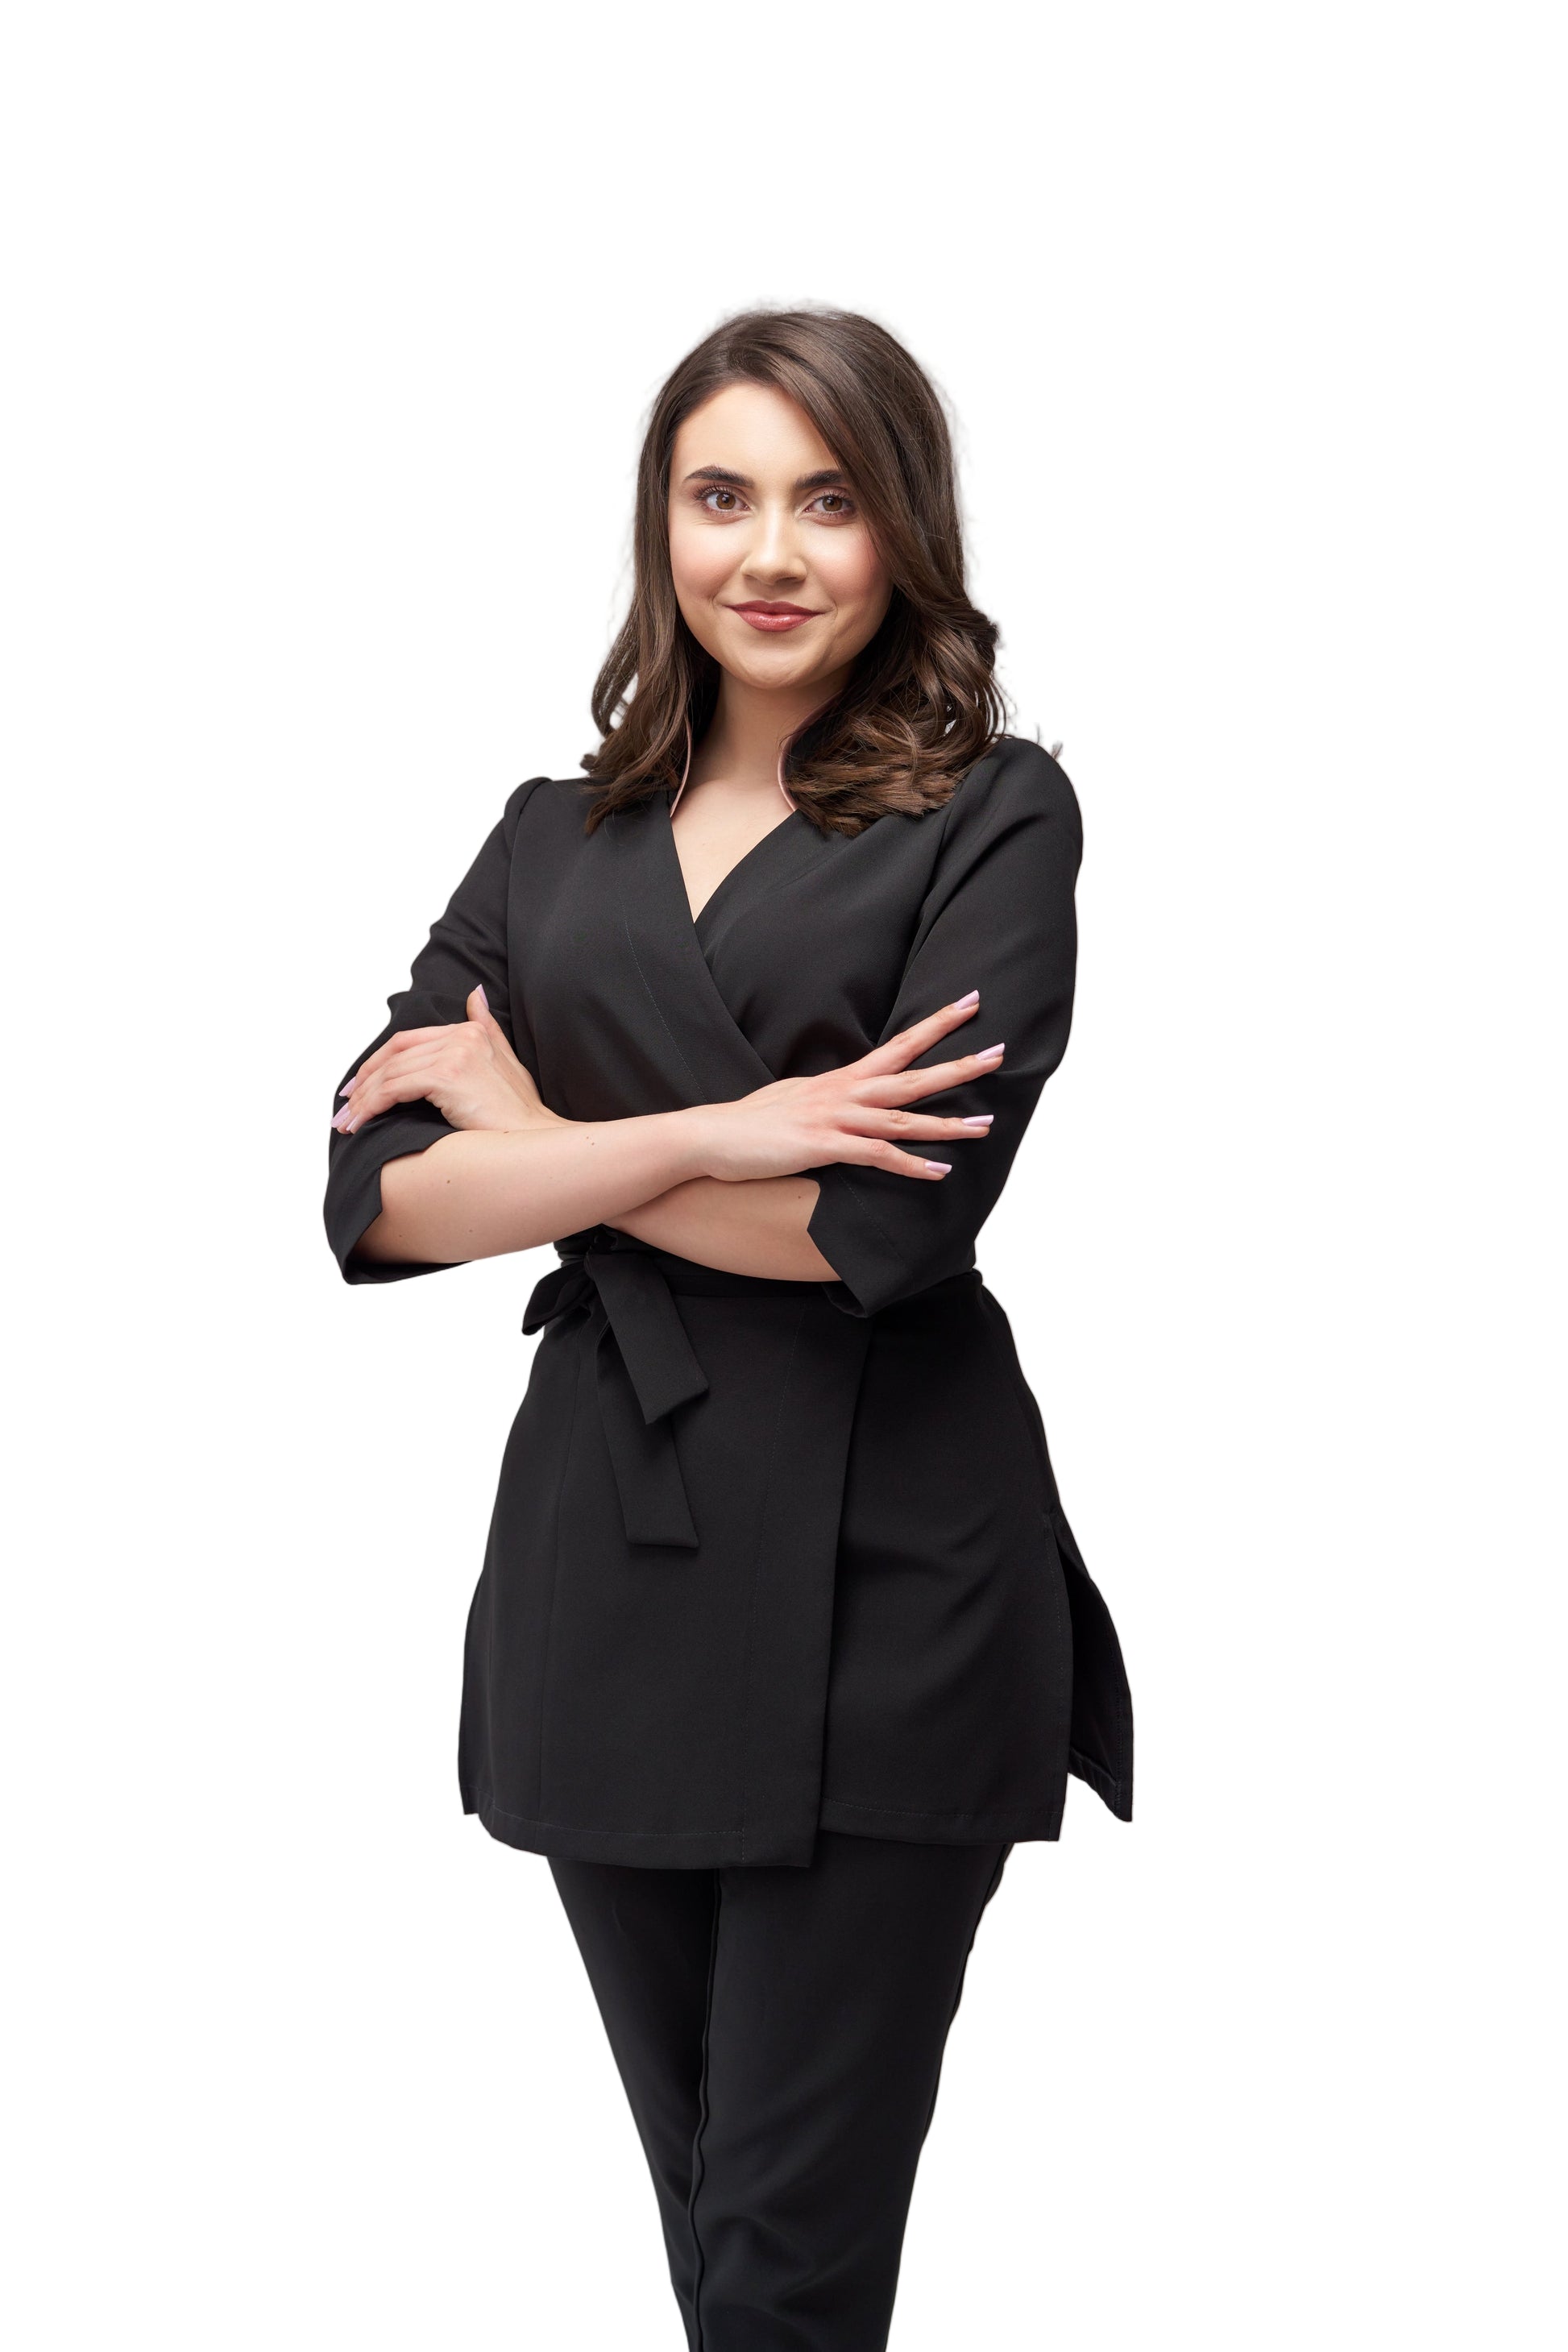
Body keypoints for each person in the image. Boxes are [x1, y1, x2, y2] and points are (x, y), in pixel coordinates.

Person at [324, 305, 1132, 2350]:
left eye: (825, 500)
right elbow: (383, 1192)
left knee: (785, 2256)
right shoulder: (550, 836)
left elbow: (881, 1225)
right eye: (719, 495)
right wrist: (711, 1133)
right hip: (612, 1567)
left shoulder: (994, 814)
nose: (766, 551)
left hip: (890, 1576)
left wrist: (548, 1144)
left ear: (901, 532)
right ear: (658, 525)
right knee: (715, 2234)